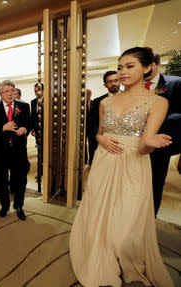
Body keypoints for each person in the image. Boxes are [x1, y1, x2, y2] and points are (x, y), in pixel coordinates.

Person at [69, 47, 174, 287]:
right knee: (99, 212)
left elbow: (143, 146)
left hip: (134, 163)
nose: (122, 72)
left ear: (147, 68)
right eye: (119, 67)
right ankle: (100, 254)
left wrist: (151, 142)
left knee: (126, 222)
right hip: (104, 160)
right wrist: (100, 139)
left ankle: (123, 256)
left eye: (129, 66)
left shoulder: (158, 102)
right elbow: (98, 134)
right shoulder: (106, 102)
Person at [145, 53, 181, 215]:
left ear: (158, 65)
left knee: (154, 186)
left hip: (159, 148)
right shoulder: (133, 85)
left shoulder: (175, 83)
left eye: (149, 63)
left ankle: (149, 221)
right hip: (133, 145)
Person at [0, 80, 30, 221]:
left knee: (20, 180)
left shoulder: (24, 106)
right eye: (6, 91)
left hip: (19, 151)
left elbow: (29, 123)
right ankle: (4, 205)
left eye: (12, 90)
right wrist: (3, 128)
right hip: (1, 152)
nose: (10, 93)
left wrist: (25, 129)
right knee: (1, 180)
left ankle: (19, 206)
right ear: (1, 94)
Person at [86, 71, 120, 165]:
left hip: (123, 141)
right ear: (105, 85)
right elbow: (95, 123)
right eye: (110, 81)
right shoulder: (98, 101)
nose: (113, 83)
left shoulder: (130, 98)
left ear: (119, 81)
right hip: (103, 140)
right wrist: (98, 139)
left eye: (116, 80)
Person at [30, 83, 44, 182]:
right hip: (38, 132)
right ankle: (40, 171)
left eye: (38, 90)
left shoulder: (49, 100)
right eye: (35, 91)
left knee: (46, 152)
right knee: (39, 151)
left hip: (47, 131)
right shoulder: (33, 102)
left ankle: (45, 170)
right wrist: (32, 129)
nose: (36, 93)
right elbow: (33, 116)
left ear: (43, 90)